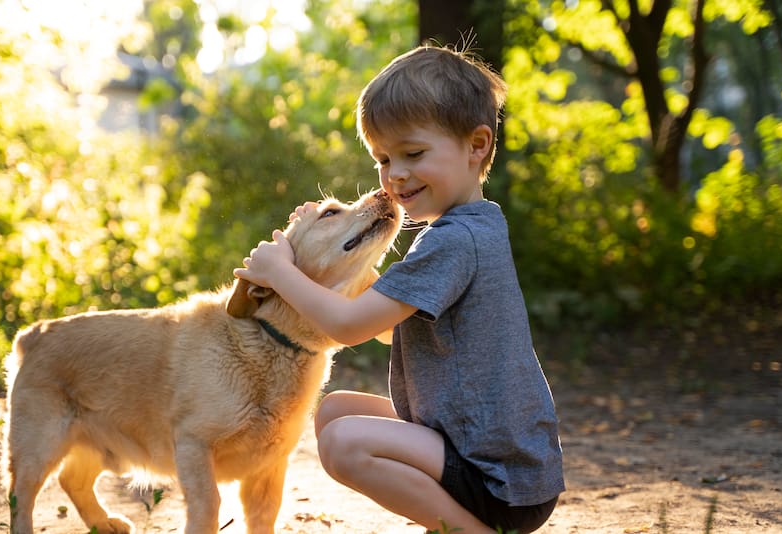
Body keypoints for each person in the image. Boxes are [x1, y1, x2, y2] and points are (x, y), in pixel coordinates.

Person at [233, 44, 564, 534]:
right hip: (494, 455)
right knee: (335, 410)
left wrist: (282, 273)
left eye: (413, 154)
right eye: (383, 159)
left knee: (345, 443)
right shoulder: (471, 226)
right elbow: (390, 330)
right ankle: (450, 520)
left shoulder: (455, 241)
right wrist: (321, 248)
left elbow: (349, 326)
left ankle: (471, 531)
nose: (396, 175)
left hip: (499, 479)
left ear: (477, 146)